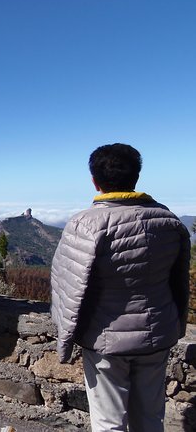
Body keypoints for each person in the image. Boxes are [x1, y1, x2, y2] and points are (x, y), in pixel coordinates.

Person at [50, 143, 190, 431]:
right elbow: (179, 281)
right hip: (157, 334)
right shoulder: (168, 220)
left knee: (108, 422)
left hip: (105, 339)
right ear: (136, 176)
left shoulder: (84, 225)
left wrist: (64, 344)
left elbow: (67, 290)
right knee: (151, 418)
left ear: (94, 181)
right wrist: (177, 325)